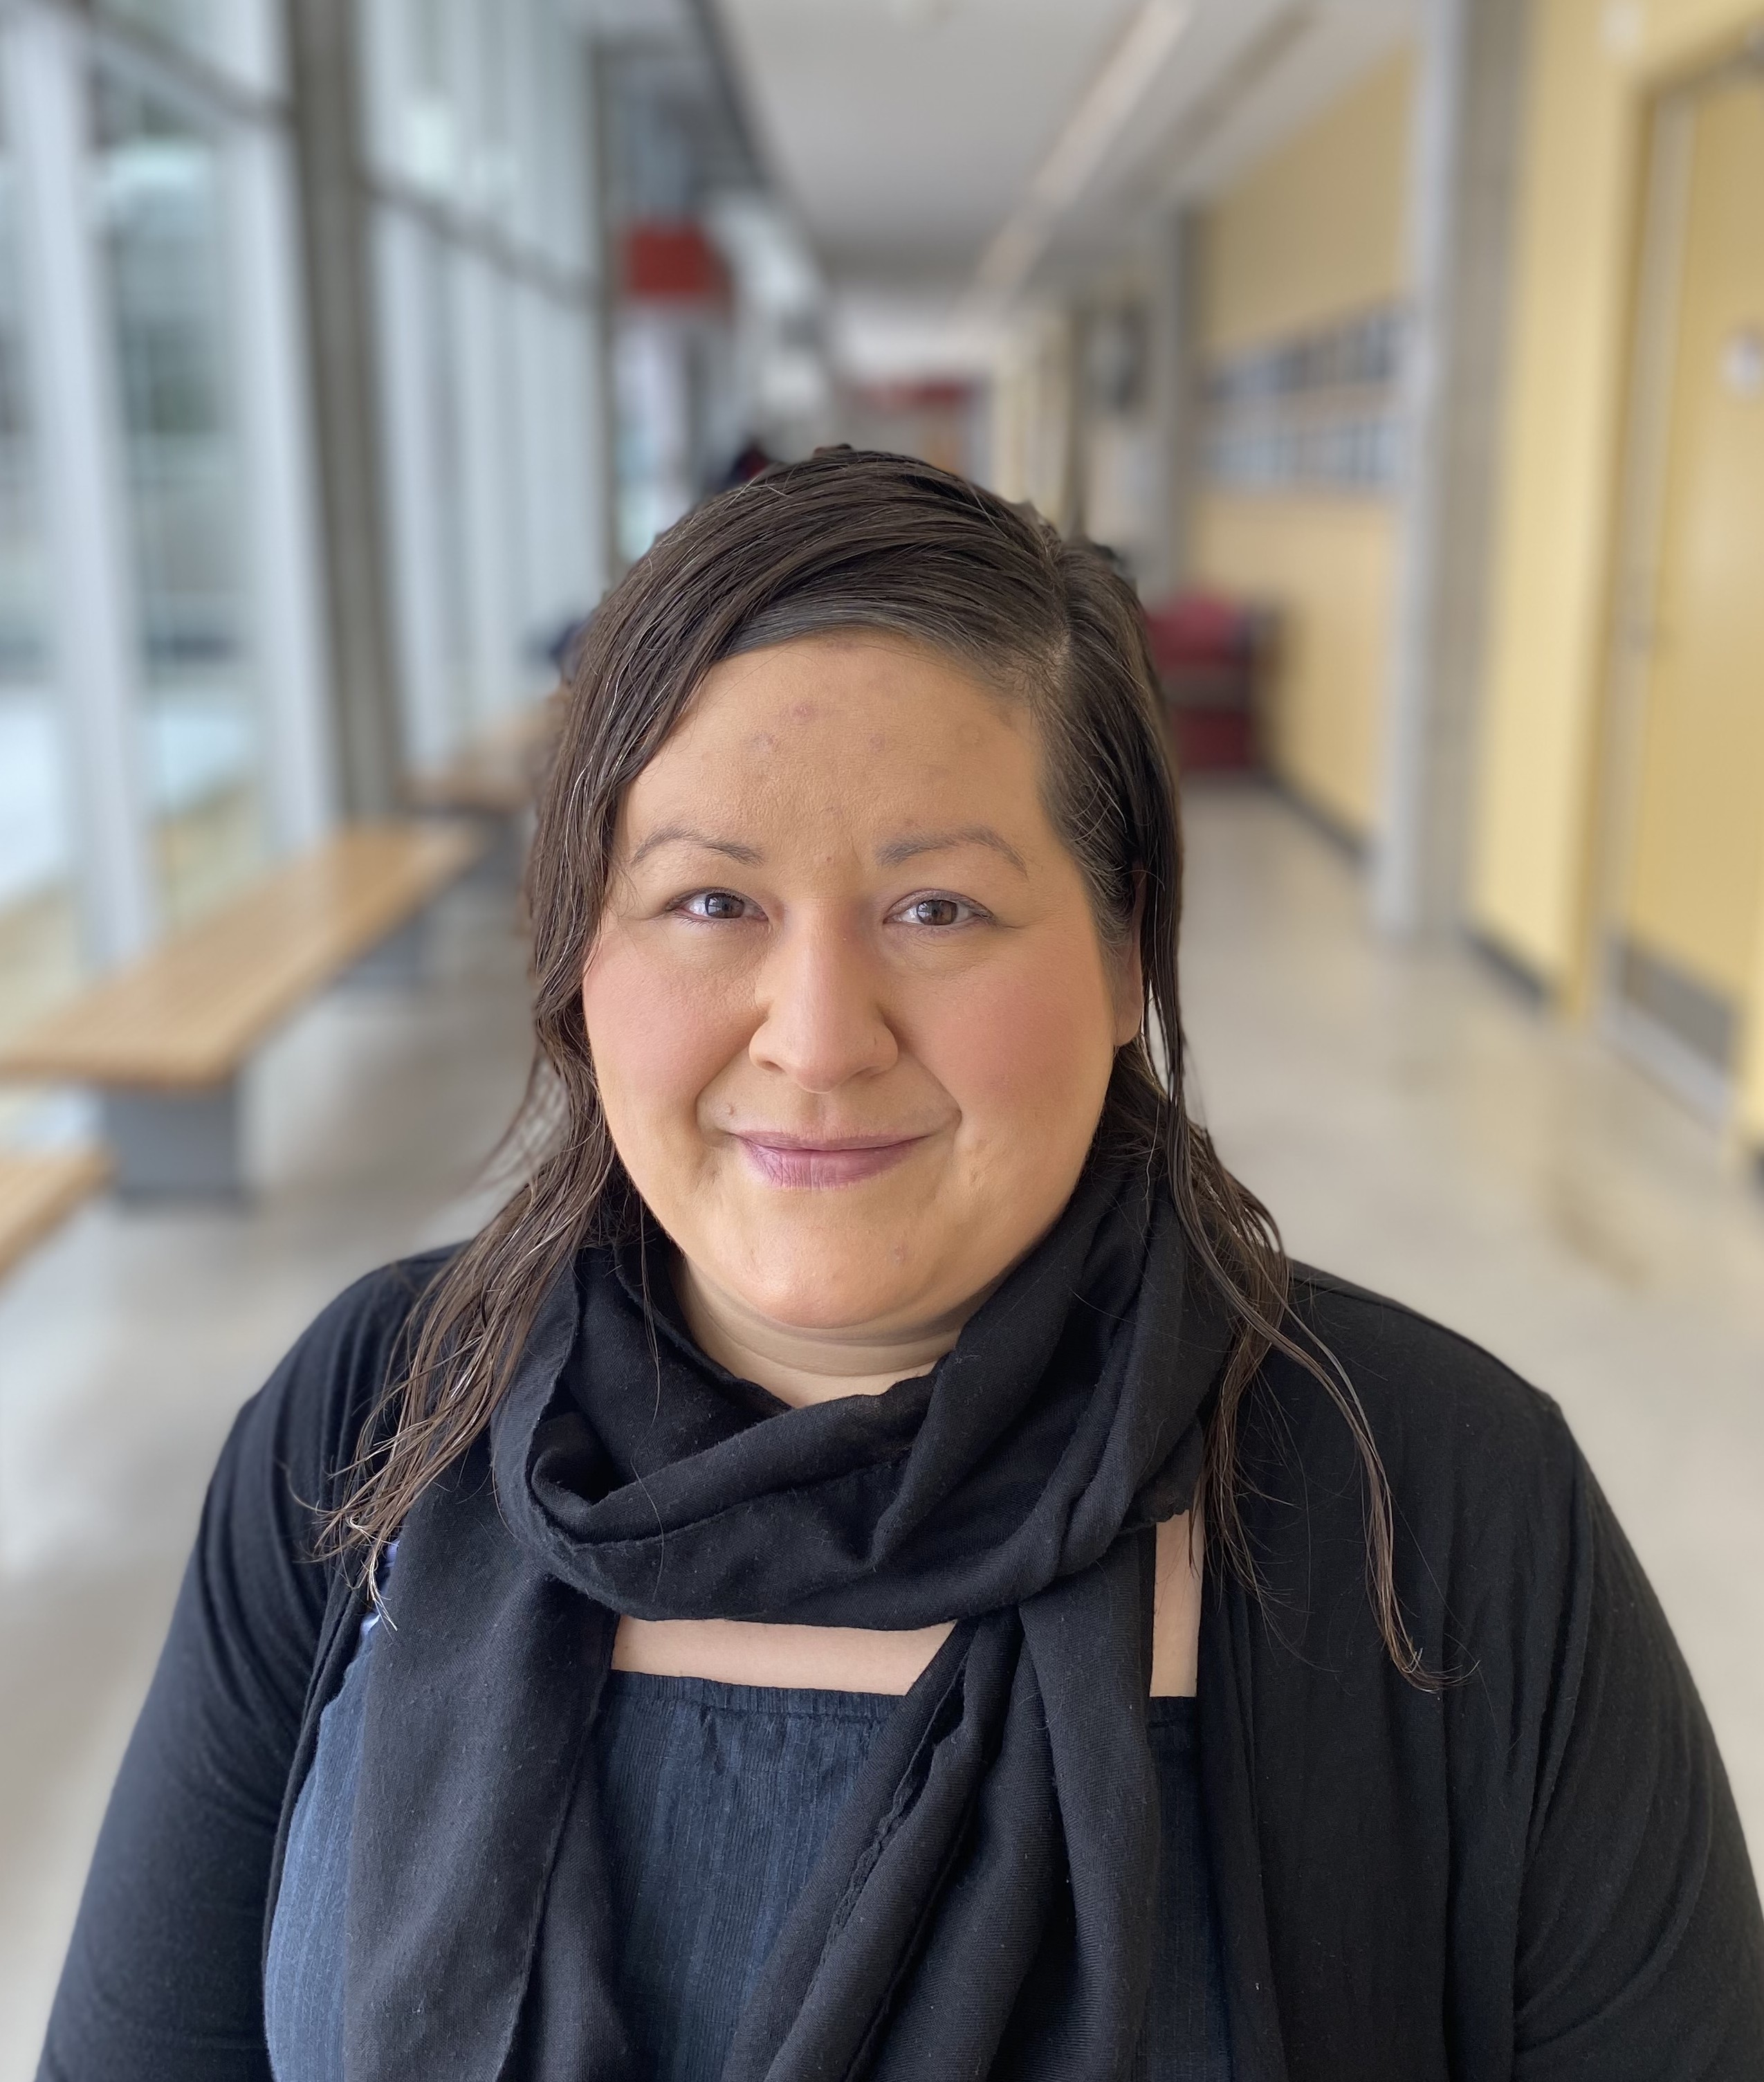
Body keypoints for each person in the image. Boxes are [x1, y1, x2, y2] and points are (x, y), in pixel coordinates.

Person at [39, 450, 1764, 2082]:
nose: (816, 1035)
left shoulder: (1438, 1499)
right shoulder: (373, 1417)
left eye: (937, 908)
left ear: (1120, 945)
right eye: (710, 902)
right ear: (580, 954)